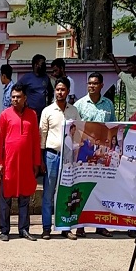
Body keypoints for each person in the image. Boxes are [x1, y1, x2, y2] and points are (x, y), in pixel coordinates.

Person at [0, 83, 41, 241]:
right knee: (5, 198)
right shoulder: (5, 115)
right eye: (13, 97)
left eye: (18, 97)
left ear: (25, 98)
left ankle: (23, 229)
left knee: (24, 198)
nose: (15, 99)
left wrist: (37, 163)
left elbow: (36, 139)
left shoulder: (32, 115)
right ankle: (4, 230)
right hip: (9, 163)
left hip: (26, 164)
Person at [74, 72, 115, 238]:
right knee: (83, 187)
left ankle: (101, 225)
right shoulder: (80, 105)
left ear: (101, 85)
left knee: (102, 188)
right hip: (85, 153)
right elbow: (75, 130)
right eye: (89, 83)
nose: (91, 86)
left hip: (102, 153)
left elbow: (112, 127)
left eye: (95, 83)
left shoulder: (109, 105)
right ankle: (80, 225)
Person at [39, 77, 80, 240]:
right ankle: (46, 228)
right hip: (51, 155)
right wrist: (41, 159)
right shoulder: (47, 111)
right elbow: (42, 135)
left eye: (63, 89)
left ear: (68, 91)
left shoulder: (74, 111)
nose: (60, 92)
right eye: (57, 89)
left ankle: (64, 227)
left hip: (68, 157)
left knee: (66, 192)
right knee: (48, 192)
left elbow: (77, 133)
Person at [18, 54, 53, 124]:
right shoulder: (27, 78)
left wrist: (48, 105)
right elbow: (17, 90)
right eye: (42, 64)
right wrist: (23, 103)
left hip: (43, 114)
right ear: (36, 65)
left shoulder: (46, 78)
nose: (44, 66)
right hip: (30, 113)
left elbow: (50, 92)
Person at [109, 53, 136, 119]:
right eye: (127, 66)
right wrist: (113, 60)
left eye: (130, 65)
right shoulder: (127, 78)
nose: (128, 68)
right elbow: (119, 72)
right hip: (129, 114)